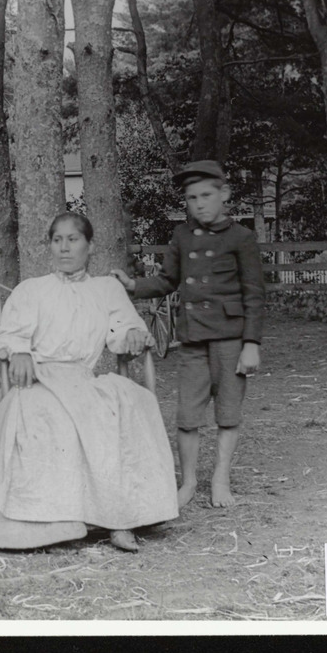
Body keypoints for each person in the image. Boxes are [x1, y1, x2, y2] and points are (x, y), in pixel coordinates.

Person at [0, 212, 179, 552]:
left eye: (73, 240)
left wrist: (132, 335)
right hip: (40, 379)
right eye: (57, 240)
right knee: (44, 414)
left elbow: (124, 329)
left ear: (89, 245)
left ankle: (122, 518)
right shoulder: (31, 290)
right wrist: (19, 351)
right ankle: (53, 525)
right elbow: (8, 335)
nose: (64, 248)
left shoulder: (106, 289)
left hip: (82, 379)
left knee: (129, 403)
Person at [112, 160, 265, 509]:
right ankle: (189, 482)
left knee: (228, 414)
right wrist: (134, 285)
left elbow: (254, 294)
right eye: (191, 198)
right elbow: (167, 280)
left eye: (206, 195)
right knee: (187, 416)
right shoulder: (181, 236)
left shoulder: (242, 238)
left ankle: (220, 480)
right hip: (193, 339)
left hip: (231, 339)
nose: (199, 204)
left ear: (224, 194)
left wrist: (251, 344)